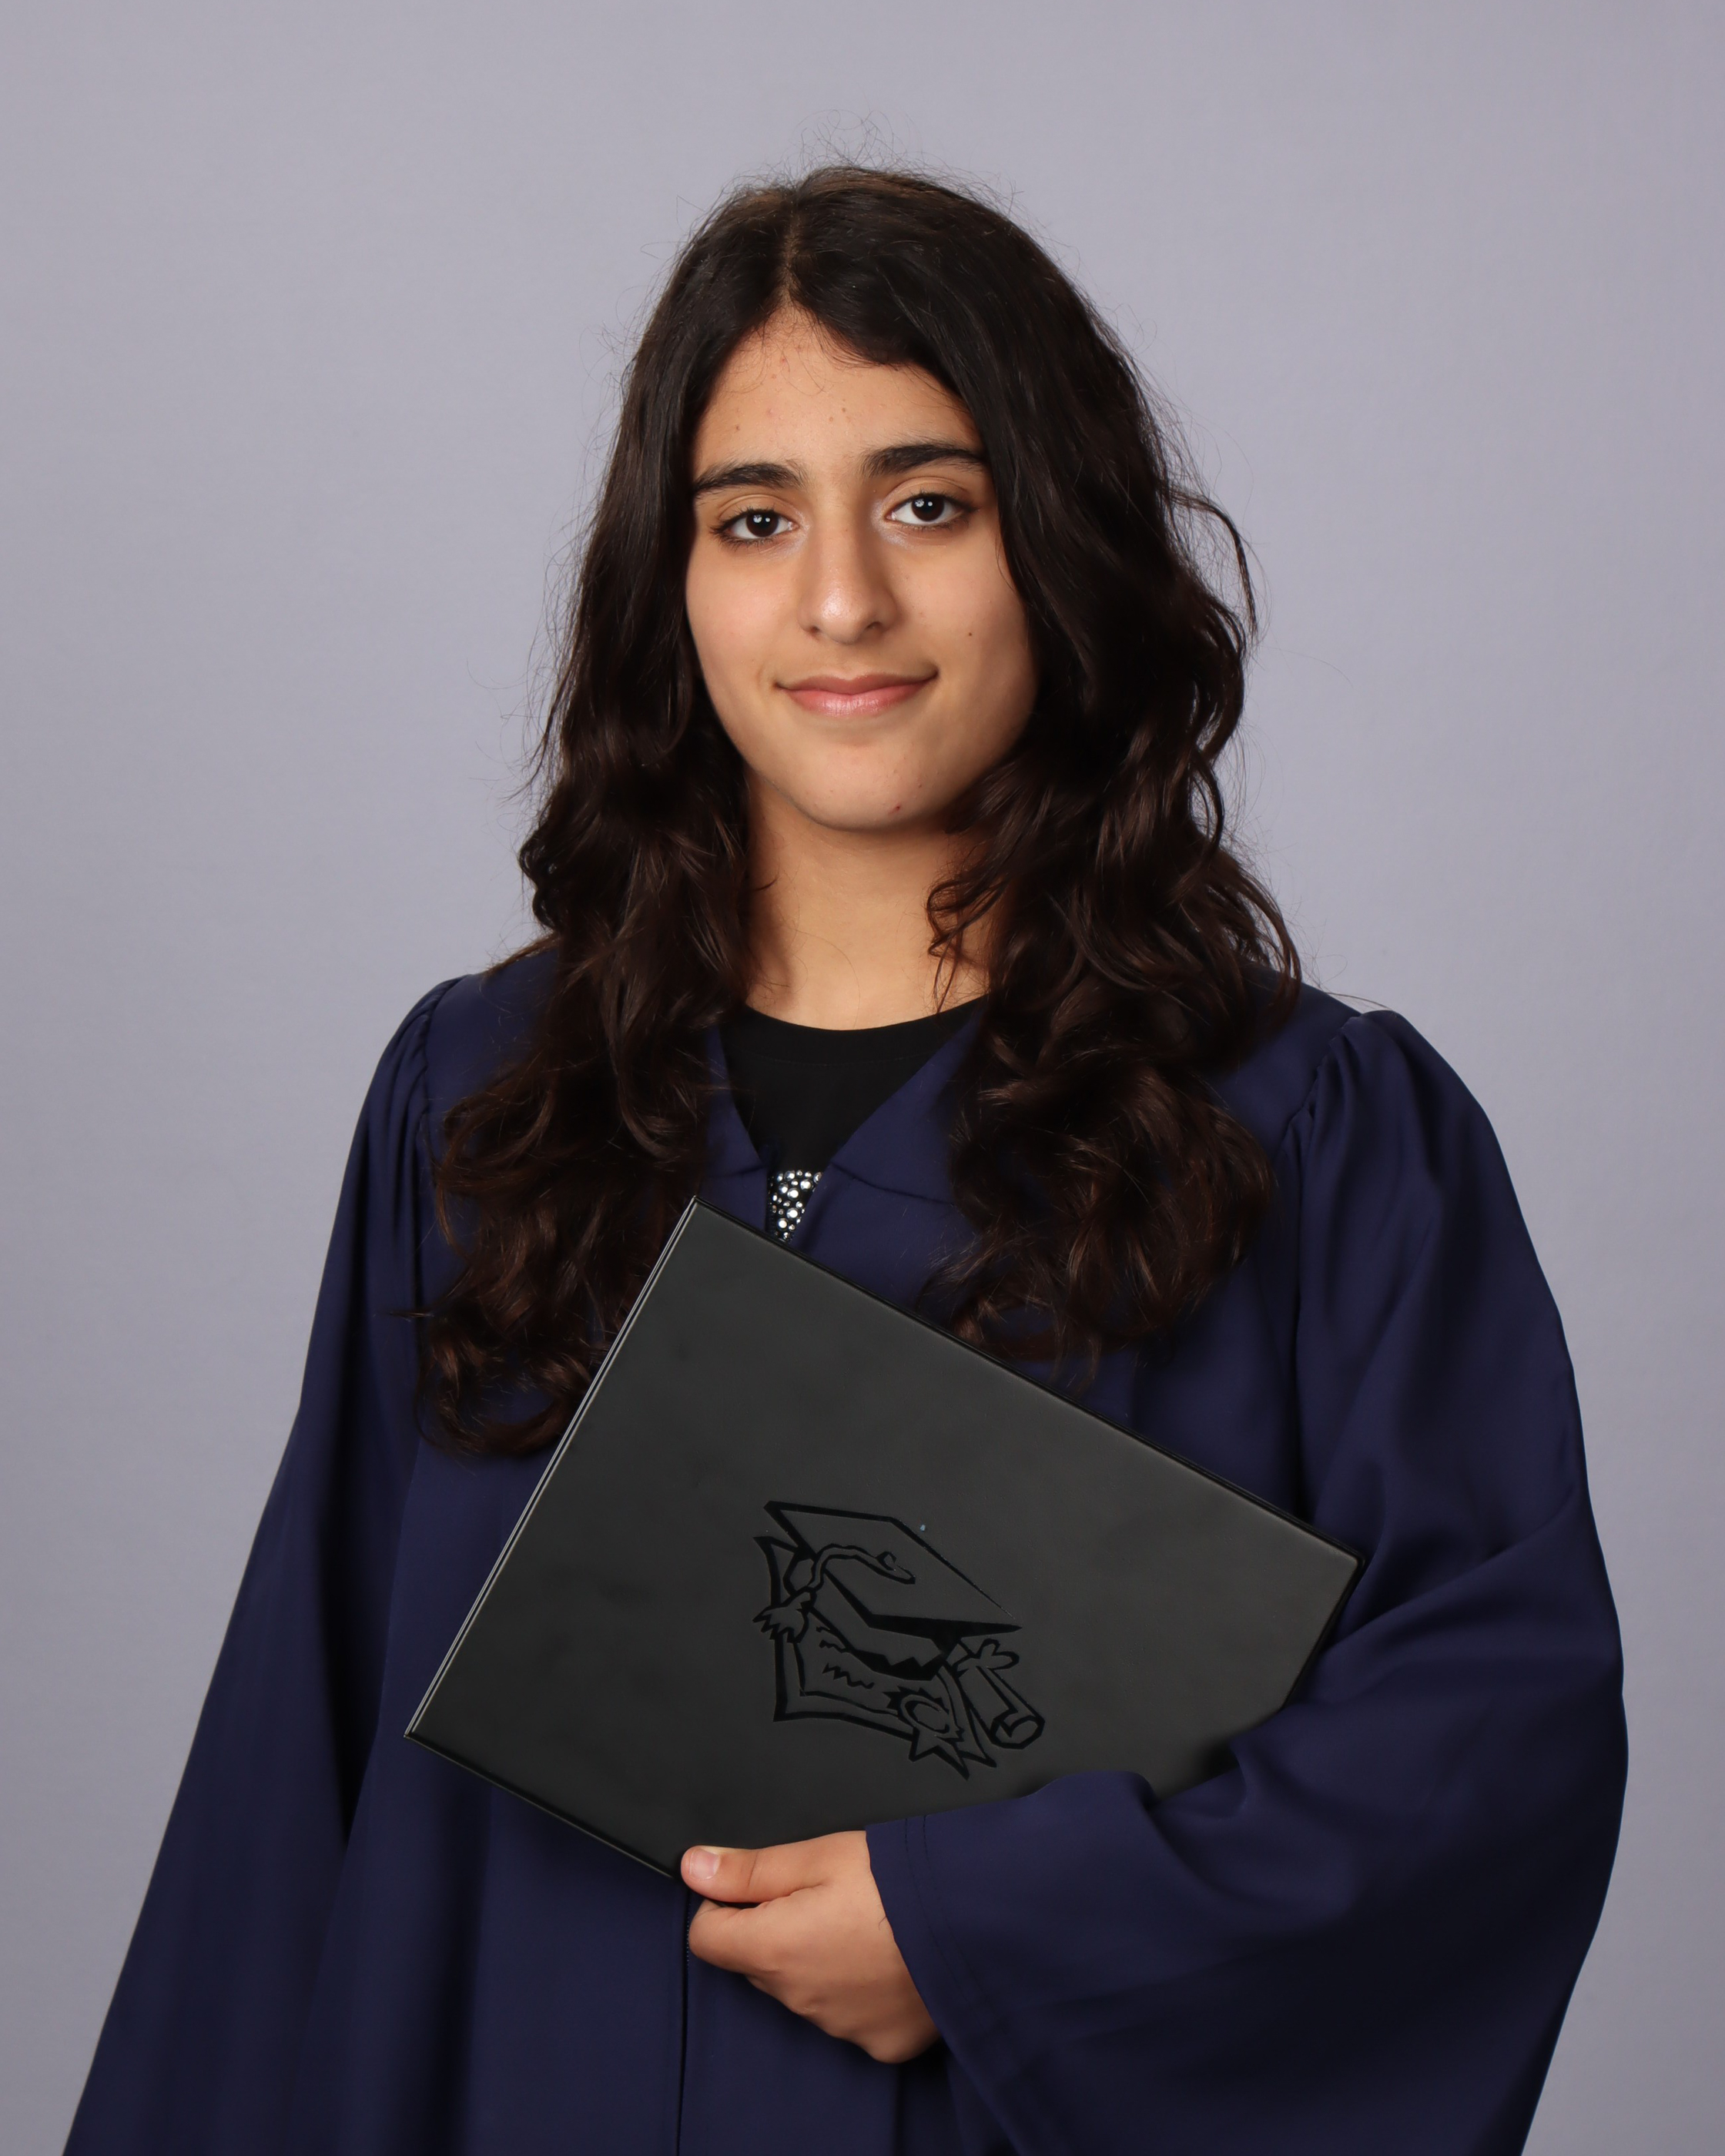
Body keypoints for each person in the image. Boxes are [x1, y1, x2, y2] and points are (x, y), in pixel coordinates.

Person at [65, 167, 1626, 2156]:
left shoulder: (1309, 1143)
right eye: (754, 518)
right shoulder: (484, 1109)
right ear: (673, 582)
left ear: (1056, 541)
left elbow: (1482, 1760)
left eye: (929, 504)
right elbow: (289, 1788)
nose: (840, 602)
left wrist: (989, 1929)